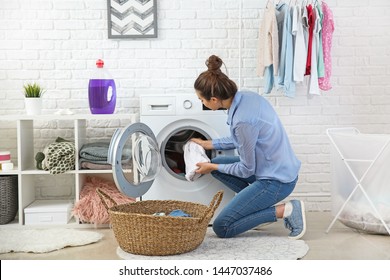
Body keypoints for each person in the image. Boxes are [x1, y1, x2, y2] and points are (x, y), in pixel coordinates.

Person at [191, 55, 306, 239]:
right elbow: (242, 140)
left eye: (201, 100)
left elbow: (246, 170)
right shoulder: (245, 97)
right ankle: (255, 207)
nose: (201, 103)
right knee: (218, 164)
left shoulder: (242, 121)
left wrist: (211, 166)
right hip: (273, 165)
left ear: (213, 99)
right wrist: (208, 144)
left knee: (223, 227)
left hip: (276, 181)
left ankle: (287, 210)